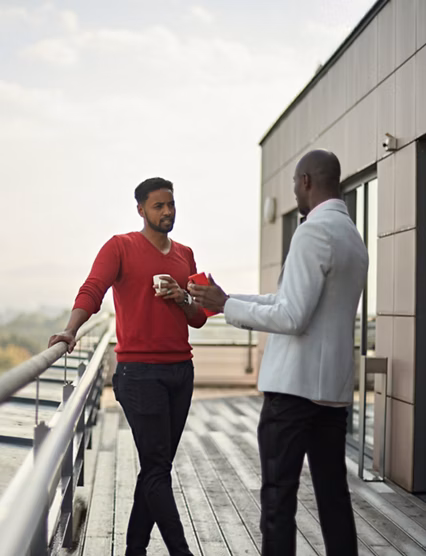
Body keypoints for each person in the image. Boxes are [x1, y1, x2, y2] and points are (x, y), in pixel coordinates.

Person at [189, 150, 368, 556]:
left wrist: (224, 308)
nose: (293, 192)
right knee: (333, 496)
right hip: (332, 393)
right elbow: (289, 300)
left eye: (293, 184)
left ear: (306, 181)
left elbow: (292, 316)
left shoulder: (311, 233)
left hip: (292, 393)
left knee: (278, 499)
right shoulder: (352, 238)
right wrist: (226, 299)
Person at [49, 177, 206, 556]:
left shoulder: (185, 254)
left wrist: (181, 295)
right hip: (138, 374)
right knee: (156, 467)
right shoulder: (120, 246)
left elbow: (198, 317)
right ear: (141, 209)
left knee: (156, 470)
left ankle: (135, 547)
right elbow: (92, 290)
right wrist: (70, 330)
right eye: (158, 206)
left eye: (171, 204)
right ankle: (181, 551)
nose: (167, 211)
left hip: (181, 372)